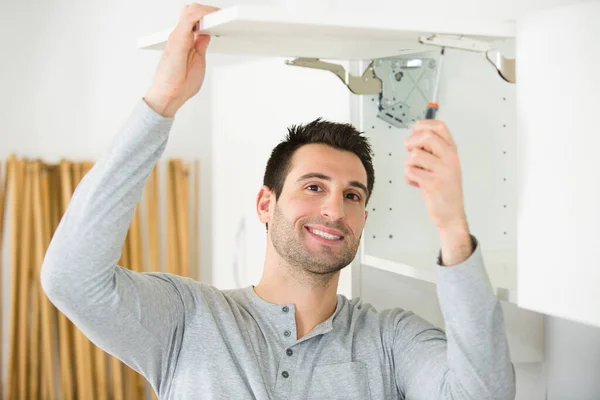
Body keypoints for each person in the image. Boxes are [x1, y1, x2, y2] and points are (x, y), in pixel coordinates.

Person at [41, 3, 516, 400]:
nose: (334, 209)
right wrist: (161, 103)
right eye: (314, 187)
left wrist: (453, 226)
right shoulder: (189, 319)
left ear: (364, 219)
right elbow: (71, 278)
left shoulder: (390, 340)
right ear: (266, 205)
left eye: (352, 195)